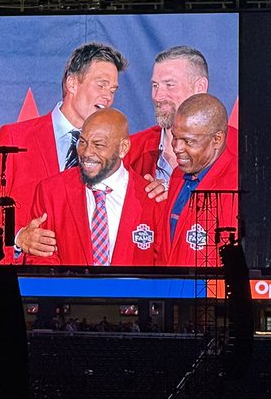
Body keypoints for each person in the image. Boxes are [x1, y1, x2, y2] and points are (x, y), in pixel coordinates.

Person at [0, 42, 129, 256]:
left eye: (112, 90)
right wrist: (17, 237)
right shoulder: (14, 138)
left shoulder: (114, 152)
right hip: (28, 277)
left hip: (86, 281)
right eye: (101, 85)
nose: (108, 97)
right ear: (72, 84)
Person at [22, 108, 167, 266]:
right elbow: (40, 257)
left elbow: (164, 266)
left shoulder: (152, 198)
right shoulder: (52, 191)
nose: (86, 153)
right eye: (83, 142)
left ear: (123, 148)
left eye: (98, 145)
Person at [127, 45, 238, 187]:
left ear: (200, 87)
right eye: (155, 85)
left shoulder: (238, 149)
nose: (157, 96)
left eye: (169, 85)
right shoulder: (130, 151)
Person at [163, 94, 239, 266]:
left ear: (217, 140)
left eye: (188, 141)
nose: (177, 148)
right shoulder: (177, 175)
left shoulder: (237, 185)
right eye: (175, 137)